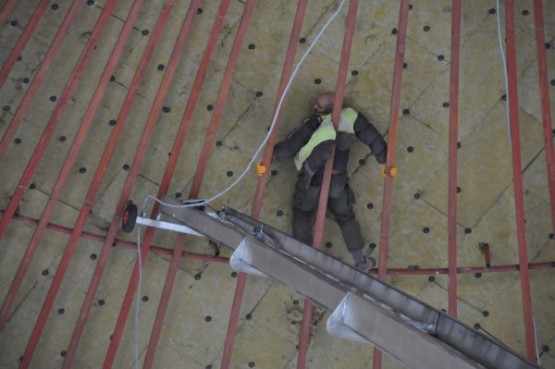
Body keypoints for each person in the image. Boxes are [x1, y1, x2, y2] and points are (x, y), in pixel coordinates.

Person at [272, 92, 387, 271]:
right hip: (337, 179)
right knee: (345, 215)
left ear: (330, 109)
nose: (315, 108)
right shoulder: (351, 117)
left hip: (311, 177)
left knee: (302, 212)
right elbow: (373, 138)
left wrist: (267, 161)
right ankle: (359, 259)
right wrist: (384, 161)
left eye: (319, 106)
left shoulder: (315, 122)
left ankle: (305, 258)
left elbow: (290, 146)